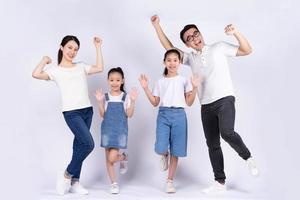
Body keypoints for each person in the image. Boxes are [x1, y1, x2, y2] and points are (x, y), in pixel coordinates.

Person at [150, 15, 259, 193]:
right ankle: (220, 182)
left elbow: (247, 50)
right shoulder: (190, 58)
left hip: (224, 99)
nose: (194, 38)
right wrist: (156, 26)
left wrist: (236, 33)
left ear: (200, 34)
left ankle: (247, 157)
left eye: (196, 34)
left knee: (227, 132)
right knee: (213, 144)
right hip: (206, 105)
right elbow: (169, 47)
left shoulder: (219, 47)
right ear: (187, 44)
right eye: (189, 38)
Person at [32, 35, 104, 195]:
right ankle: (66, 175)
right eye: (70, 47)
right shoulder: (55, 71)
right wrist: (44, 60)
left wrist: (98, 47)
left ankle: (75, 182)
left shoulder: (80, 66)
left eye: (76, 49)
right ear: (62, 47)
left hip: (87, 111)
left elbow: (99, 68)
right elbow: (36, 74)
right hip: (71, 113)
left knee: (79, 145)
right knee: (88, 144)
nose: (72, 52)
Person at [139, 49, 201, 193]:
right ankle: (163, 154)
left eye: (175, 60)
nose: (172, 63)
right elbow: (155, 102)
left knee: (176, 150)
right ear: (164, 62)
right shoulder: (160, 81)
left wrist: (195, 86)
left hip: (180, 115)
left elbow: (189, 102)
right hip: (164, 114)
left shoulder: (185, 80)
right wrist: (146, 88)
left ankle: (169, 181)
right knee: (161, 147)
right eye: (169, 60)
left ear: (179, 62)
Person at [95, 67, 138, 194]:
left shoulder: (126, 97)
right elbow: (102, 114)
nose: (114, 83)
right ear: (108, 81)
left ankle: (123, 157)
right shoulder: (106, 97)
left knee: (113, 157)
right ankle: (114, 184)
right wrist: (99, 102)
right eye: (112, 80)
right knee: (108, 160)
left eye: (117, 80)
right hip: (107, 130)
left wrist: (133, 101)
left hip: (120, 131)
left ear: (122, 81)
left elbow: (129, 114)